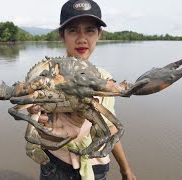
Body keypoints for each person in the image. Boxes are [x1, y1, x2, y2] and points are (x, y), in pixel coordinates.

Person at [28, 0, 137, 179]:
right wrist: (44, 126)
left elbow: (110, 127)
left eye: (90, 30)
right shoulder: (46, 76)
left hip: (97, 168)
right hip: (55, 166)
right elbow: (37, 134)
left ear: (99, 34)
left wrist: (125, 169)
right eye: (73, 30)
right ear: (62, 35)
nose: (81, 38)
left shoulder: (105, 79)